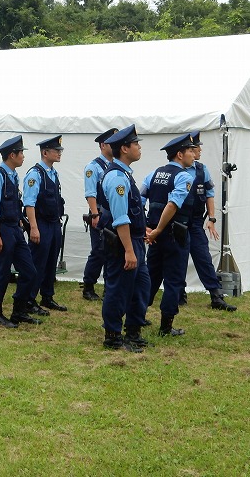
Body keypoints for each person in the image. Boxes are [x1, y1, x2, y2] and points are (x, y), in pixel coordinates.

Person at [97, 124, 150, 351]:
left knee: (141, 287)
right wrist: (129, 249)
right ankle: (113, 335)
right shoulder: (118, 178)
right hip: (123, 243)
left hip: (135, 240)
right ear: (125, 149)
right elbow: (120, 218)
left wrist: (142, 230)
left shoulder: (125, 174)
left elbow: (133, 212)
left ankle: (133, 331)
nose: (139, 147)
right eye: (136, 144)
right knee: (119, 289)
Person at [142, 134, 197, 337]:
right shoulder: (184, 177)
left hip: (154, 236)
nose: (194, 154)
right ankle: (166, 326)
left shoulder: (154, 174)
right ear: (179, 154)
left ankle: (138, 315)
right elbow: (172, 205)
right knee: (173, 280)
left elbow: (139, 198)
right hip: (173, 235)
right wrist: (158, 229)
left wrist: (146, 228)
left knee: (151, 276)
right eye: (191, 151)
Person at [0, 136, 40, 328]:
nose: (23, 156)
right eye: (21, 153)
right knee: (2, 271)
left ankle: (19, 310)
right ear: (12, 155)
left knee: (29, 271)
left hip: (14, 229)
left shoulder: (13, 175)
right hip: (2, 229)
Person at [182, 131, 235, 311]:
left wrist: (211, 218)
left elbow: (209, 194)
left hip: (196, 222)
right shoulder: (174, 170)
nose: (200, 150)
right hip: (178, 223)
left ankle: (216, 296)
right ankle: (179, 293)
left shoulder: (201, 169)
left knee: (203, 257)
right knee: (178, 258)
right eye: (197, 147)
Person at [23, 135, 68, 314]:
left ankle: (47, 296)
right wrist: (33, 227)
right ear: (45, 152)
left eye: (59, 150)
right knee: (37, 263)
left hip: (54, 223)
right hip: (41, 224)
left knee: (51, 262)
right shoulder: (35, 174)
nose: (59, 153)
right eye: (56, 151)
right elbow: (29, 203)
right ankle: (29, 299)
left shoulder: (53, 173)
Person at [81, 128, 118, 301]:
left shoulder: (114, 165)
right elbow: (90, 193)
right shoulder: (93, 166)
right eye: (112, 142)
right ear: (103, 145)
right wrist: (95, 215)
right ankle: (88, 286)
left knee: (112, 251)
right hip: (100, 213)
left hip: (113, 215)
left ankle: (109, 287)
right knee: (99, 250)